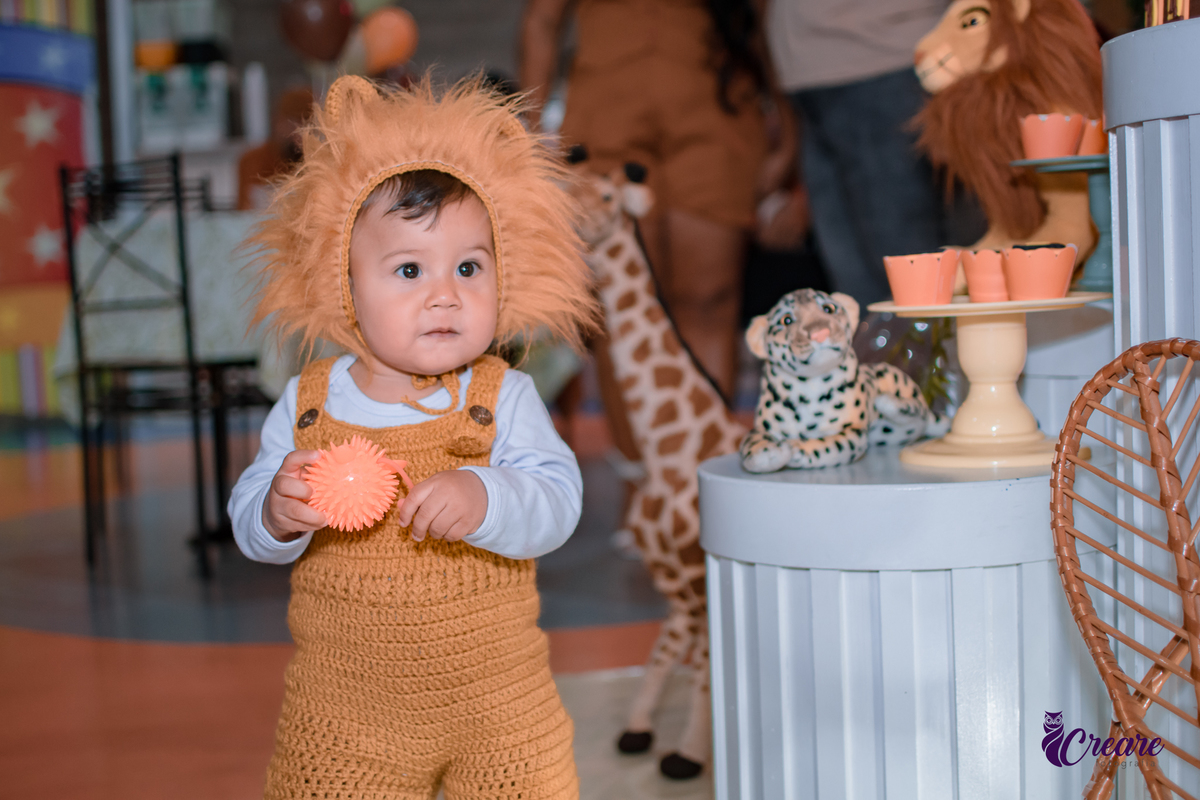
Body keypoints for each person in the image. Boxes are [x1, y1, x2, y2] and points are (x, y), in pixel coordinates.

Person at [228, 75, 598, 799]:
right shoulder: (308, 406)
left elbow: (558, 502)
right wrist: (275, 512)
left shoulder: (503, 398)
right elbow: (247, 517)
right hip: (345, 717)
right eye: (407, 269)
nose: (445, 294)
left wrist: (488, 494)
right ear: (344, 285)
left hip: (500, 711)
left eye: (468, 267)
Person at [520, 0, 791, 402]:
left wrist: (788, 125)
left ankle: (706, 453)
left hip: (715, 110)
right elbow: (542, 20)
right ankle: (633, 461)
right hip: (605, 116)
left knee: (710, 300)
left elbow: (766, 21)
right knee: (622, 303)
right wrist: (532, 138)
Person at [765, 0, 952, 306]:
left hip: (881, 60)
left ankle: (931, 351)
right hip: (811, 78)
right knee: (856, 293)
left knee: (908, 276)